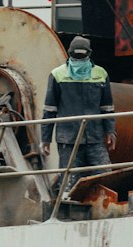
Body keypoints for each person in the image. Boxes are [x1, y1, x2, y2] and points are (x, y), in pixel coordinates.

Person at [40, 36, 116, 192]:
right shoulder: (57, 75)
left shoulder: (100, 74)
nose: (79, 59)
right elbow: (50, 110)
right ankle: (67, 208)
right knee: (69, 181)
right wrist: (45, 139)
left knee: (105, 176)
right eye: (76, 56)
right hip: (68, 139)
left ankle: (102, 206)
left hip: (95, 137)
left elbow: (107, 107)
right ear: (69, 54)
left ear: (89, 54)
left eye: (82, 56)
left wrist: (110, 131)